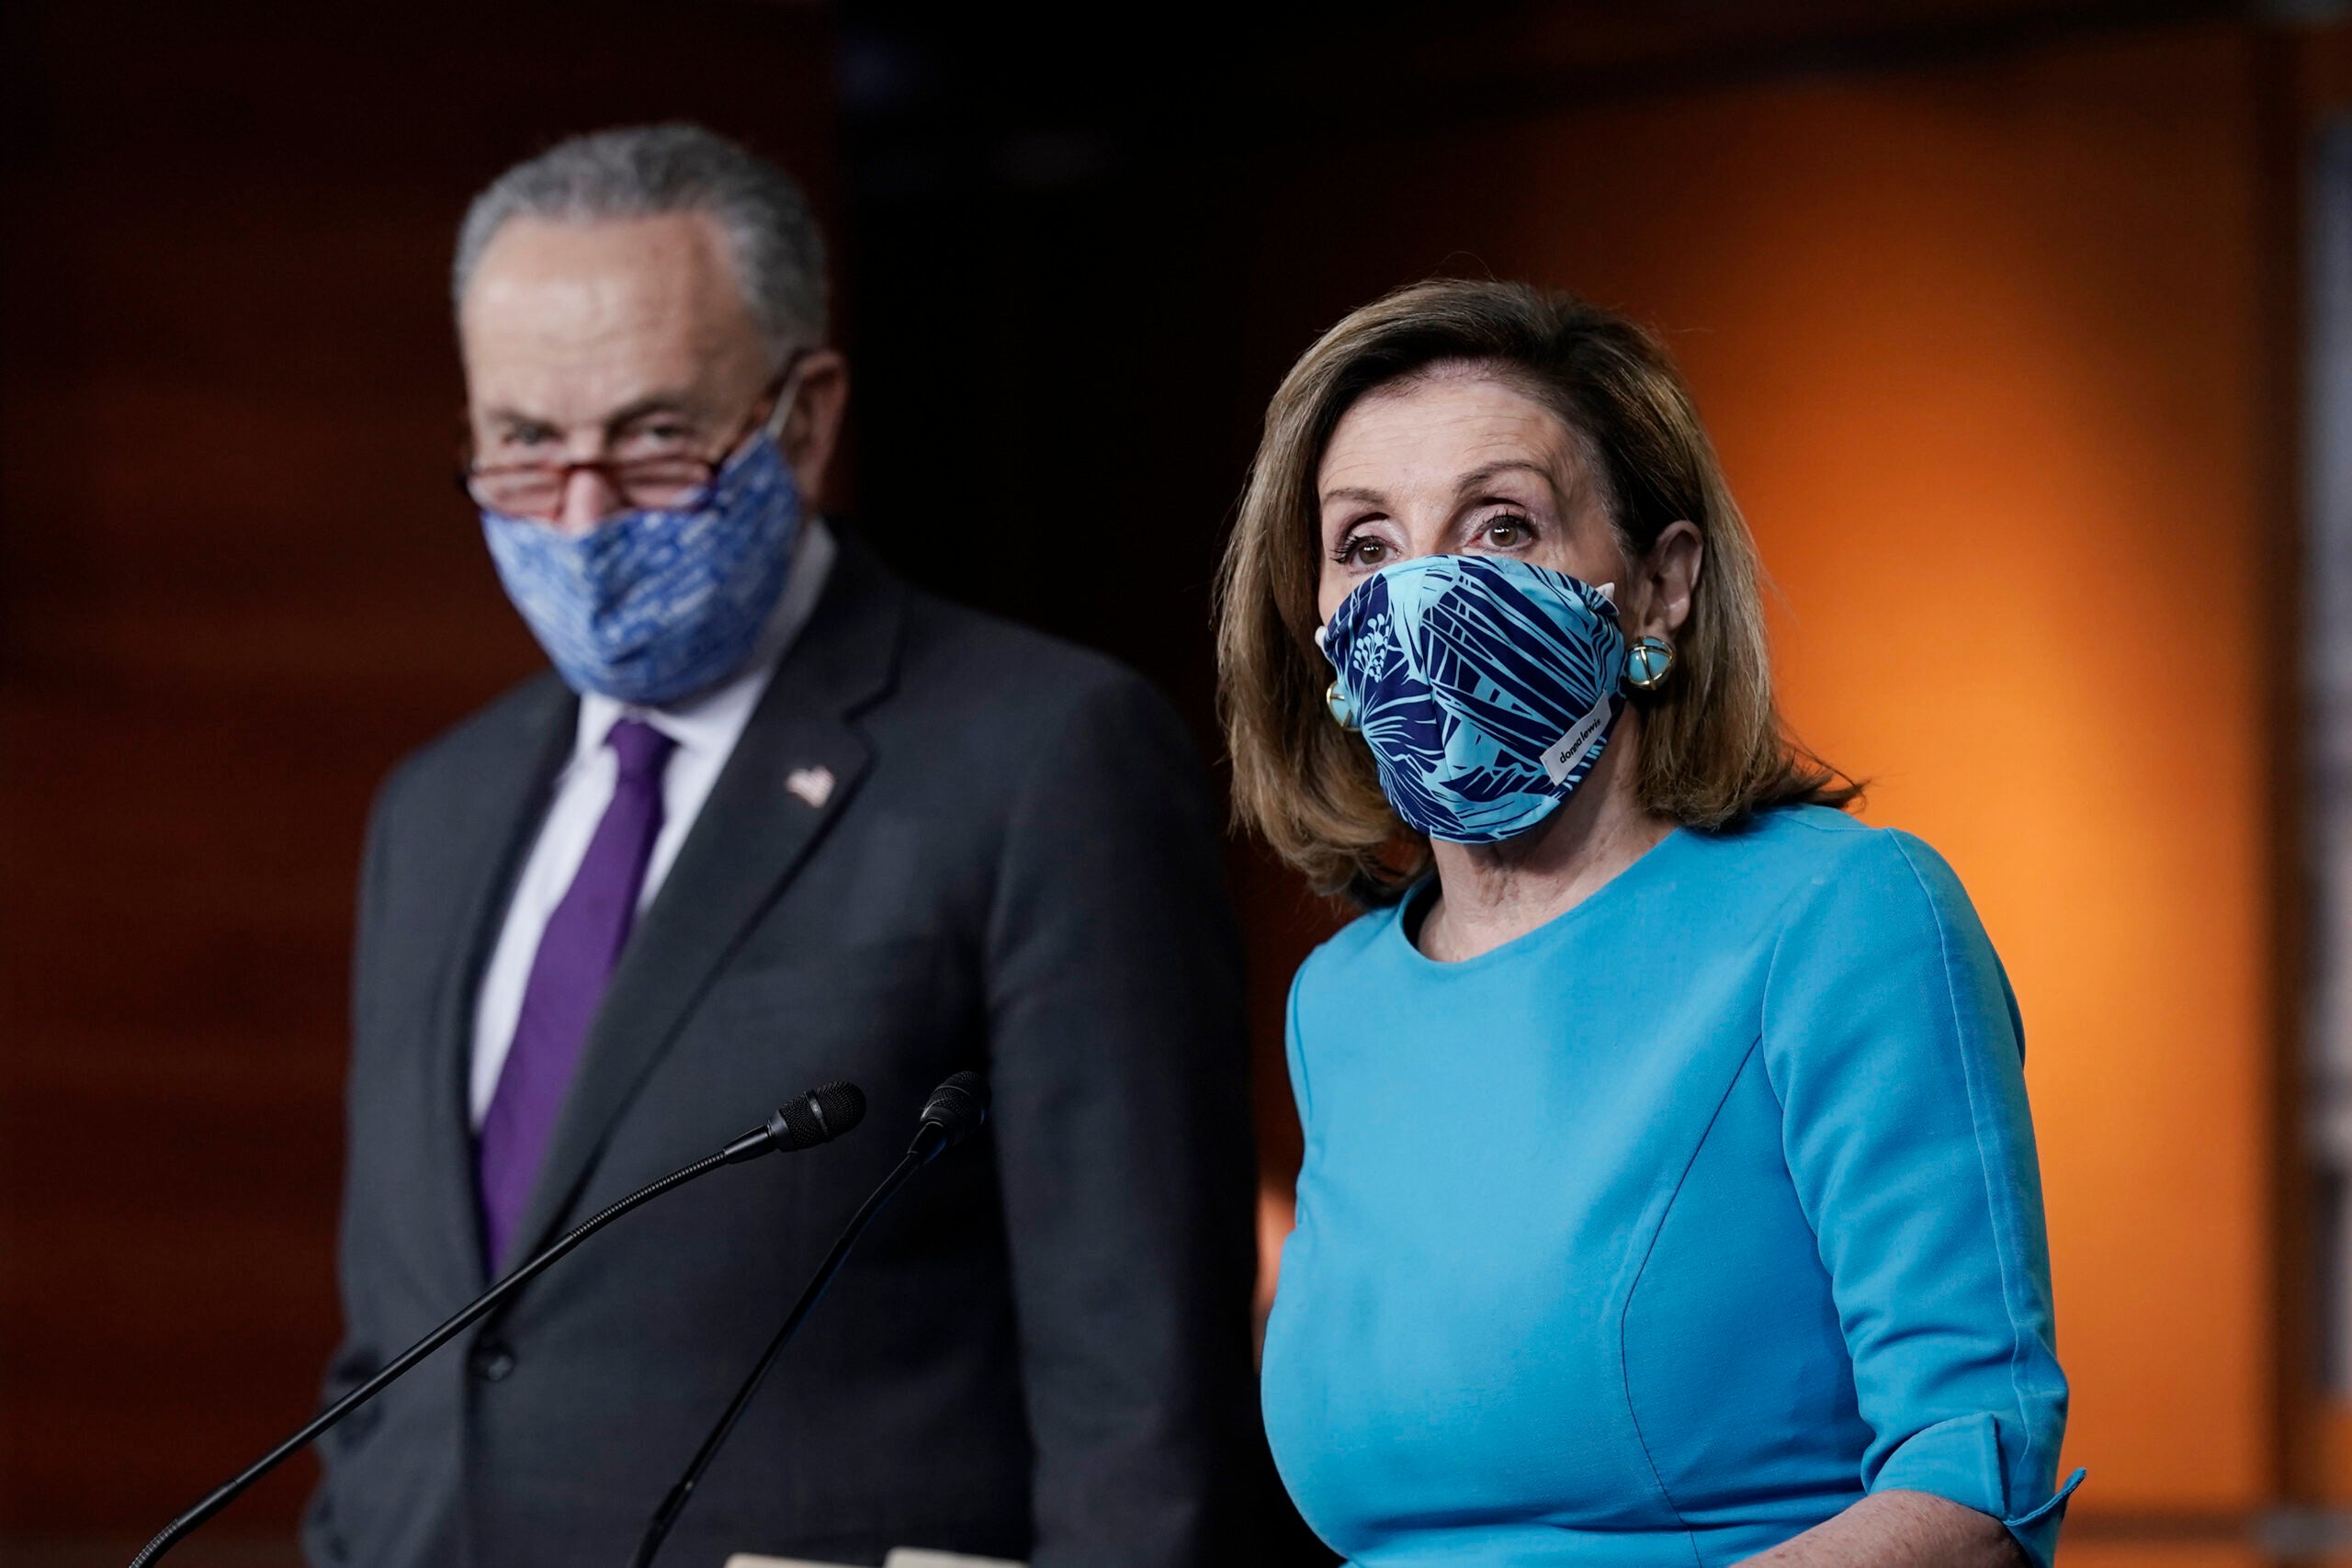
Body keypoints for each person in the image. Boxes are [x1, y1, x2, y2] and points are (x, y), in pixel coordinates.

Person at [310, 123, 1275, 1567]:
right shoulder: (432, 808)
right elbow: (409, 1333)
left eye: (652, 440)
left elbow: (1141, 1392)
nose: (581, 518)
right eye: (522, 445)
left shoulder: (1042, 755)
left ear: (806, 418)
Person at [1217, 279, 2082, 1568]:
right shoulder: (1341, 1001)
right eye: (1365, 547)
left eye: (1501, 527)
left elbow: (1974, 1478)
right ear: (1324, 630)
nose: (1425, 597)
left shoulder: (1844, 917)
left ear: (1658, 589)